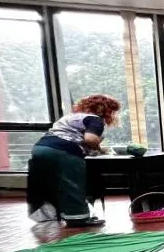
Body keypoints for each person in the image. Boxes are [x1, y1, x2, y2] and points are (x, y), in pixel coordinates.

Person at [27, 94, 121, 227]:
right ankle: (78, 218)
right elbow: (90, 139)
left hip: (40, 148)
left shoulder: (71, 117)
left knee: (53, 184)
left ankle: (58, 214)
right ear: (105, 110)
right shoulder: (95, 119)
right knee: (72, 184)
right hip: (64, 151)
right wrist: (100, 149)